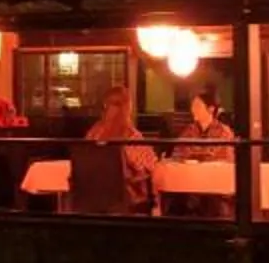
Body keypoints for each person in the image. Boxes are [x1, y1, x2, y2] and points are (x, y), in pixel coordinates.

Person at [77, 85, 159, 214]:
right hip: (121, 198)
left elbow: (84, 157)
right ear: (128, 108)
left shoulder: (94, 132)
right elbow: (149, 165)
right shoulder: (131, 136)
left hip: (91, 196)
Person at [168, 86, 242, 216]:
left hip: (215, 186)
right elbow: (178, 152)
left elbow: (226, 158)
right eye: (193, 106)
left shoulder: (224, 132)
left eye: (197, 106)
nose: (193, 110)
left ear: (211, 109)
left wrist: (199, 155)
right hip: (190, 182)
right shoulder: (189, 130)